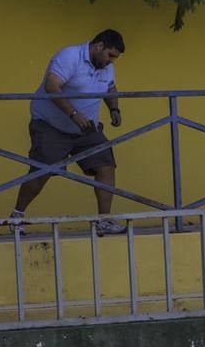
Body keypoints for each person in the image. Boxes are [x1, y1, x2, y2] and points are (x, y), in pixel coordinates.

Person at [10, 29, 128, 235]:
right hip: (50, 126)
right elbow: (52, 86)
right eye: (110, 55)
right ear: (99, 46)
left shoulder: (105, 66)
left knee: (106, 166)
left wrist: (114, 109)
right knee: (42, 171)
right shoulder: (69, 56)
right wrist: (74, 114)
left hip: (86, 128)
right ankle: (16, 217)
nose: (111, 61)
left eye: (114, 58)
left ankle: (103, 220)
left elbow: (110, 88)